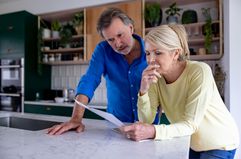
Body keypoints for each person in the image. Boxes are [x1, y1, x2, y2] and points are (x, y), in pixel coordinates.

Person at [120, 25, 239, 159]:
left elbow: (190, 124)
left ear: (176, 53)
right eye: (147, 53)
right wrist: (143, 90)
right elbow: (146, 119)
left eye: (158, 52)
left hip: (218, 143)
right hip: (190, 142)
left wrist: (153, 131)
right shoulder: (156, 76)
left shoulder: (199, 71)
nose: (150, 59)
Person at [47, 8, 159, 135]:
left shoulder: (153, 50)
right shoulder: (102, 51)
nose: (117, 44)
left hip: (149, 128)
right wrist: (76, 118)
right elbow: (90, 79)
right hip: (117, 126)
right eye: (110, 40)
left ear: (131, 28)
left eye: (120, 35)